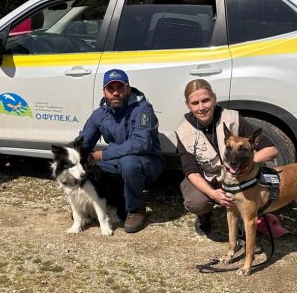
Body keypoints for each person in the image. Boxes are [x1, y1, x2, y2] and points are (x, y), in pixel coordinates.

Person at [175, 79, 278, 237]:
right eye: (195, 103)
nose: (201, 107)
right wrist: (212, 193)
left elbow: (271, 149)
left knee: (268, 166)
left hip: (237, 174)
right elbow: (192, 172)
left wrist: (249, 164)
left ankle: (252, 215)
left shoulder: (232, 118)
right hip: (209, 177)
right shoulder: (183, 130)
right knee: (196, 201)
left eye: (206, 100)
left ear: (214, 99)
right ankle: (205, 215)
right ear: (188, 105)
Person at [79, 69, 164, 233]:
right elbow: (84, 142)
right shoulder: (100, 114)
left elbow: (141, 143)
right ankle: (101, 204)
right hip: (117, 161)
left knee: (129, 163)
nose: (115, 93)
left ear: (129, 89)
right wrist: (71, 156)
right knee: (88, 168)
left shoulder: (143, 109)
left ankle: (135, 209)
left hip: (147, 161)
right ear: (104, 91)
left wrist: (101, 155)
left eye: (120, 87)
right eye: (111, 88)